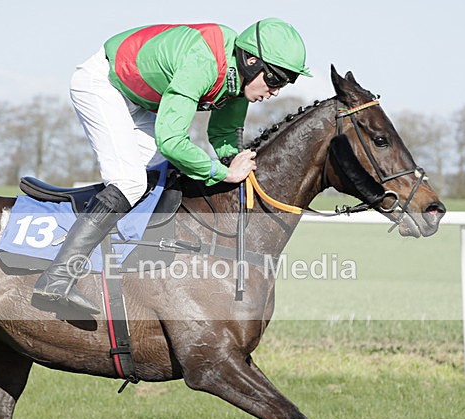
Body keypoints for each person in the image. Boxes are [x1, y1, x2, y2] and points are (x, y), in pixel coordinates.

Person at [33, 18, 311, 314]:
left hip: (141, 101)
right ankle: (57, 277)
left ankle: (123, 260)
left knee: (160, 174)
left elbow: (223, 134)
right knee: (130, 182)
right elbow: (171, 140)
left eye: (285, 82)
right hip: (104, 84)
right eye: (275, 79)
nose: (276, 91)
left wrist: (237, 167)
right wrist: (222, 172)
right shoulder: (204, 61)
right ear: (252, 61)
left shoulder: (237, 77)